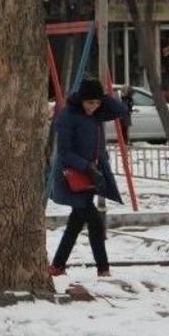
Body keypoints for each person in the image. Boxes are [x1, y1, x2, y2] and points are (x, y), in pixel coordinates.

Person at [47, 77, 128, 278]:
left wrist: (102, 97)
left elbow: (120, 111)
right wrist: (87, 167)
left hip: (91, 176)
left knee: (76, 223)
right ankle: (103, 269)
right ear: (81, 99)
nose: (93, 107)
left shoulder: (96, 113)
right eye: (90, 102)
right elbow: (64, 152)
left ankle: (57, 265)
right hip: (72, 176)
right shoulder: (68, 116)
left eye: (97, 102)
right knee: (94, 221)